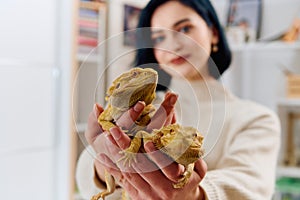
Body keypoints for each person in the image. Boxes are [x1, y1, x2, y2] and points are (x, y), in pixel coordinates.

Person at [76, 0, 281, 199]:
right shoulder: (138, 111)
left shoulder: (255, 118)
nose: (172, 44)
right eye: (158, 38)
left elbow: (250, 186)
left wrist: (196, 194)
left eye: (184, 29)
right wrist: (104, 164)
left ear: (214, 33)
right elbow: (86, 177)